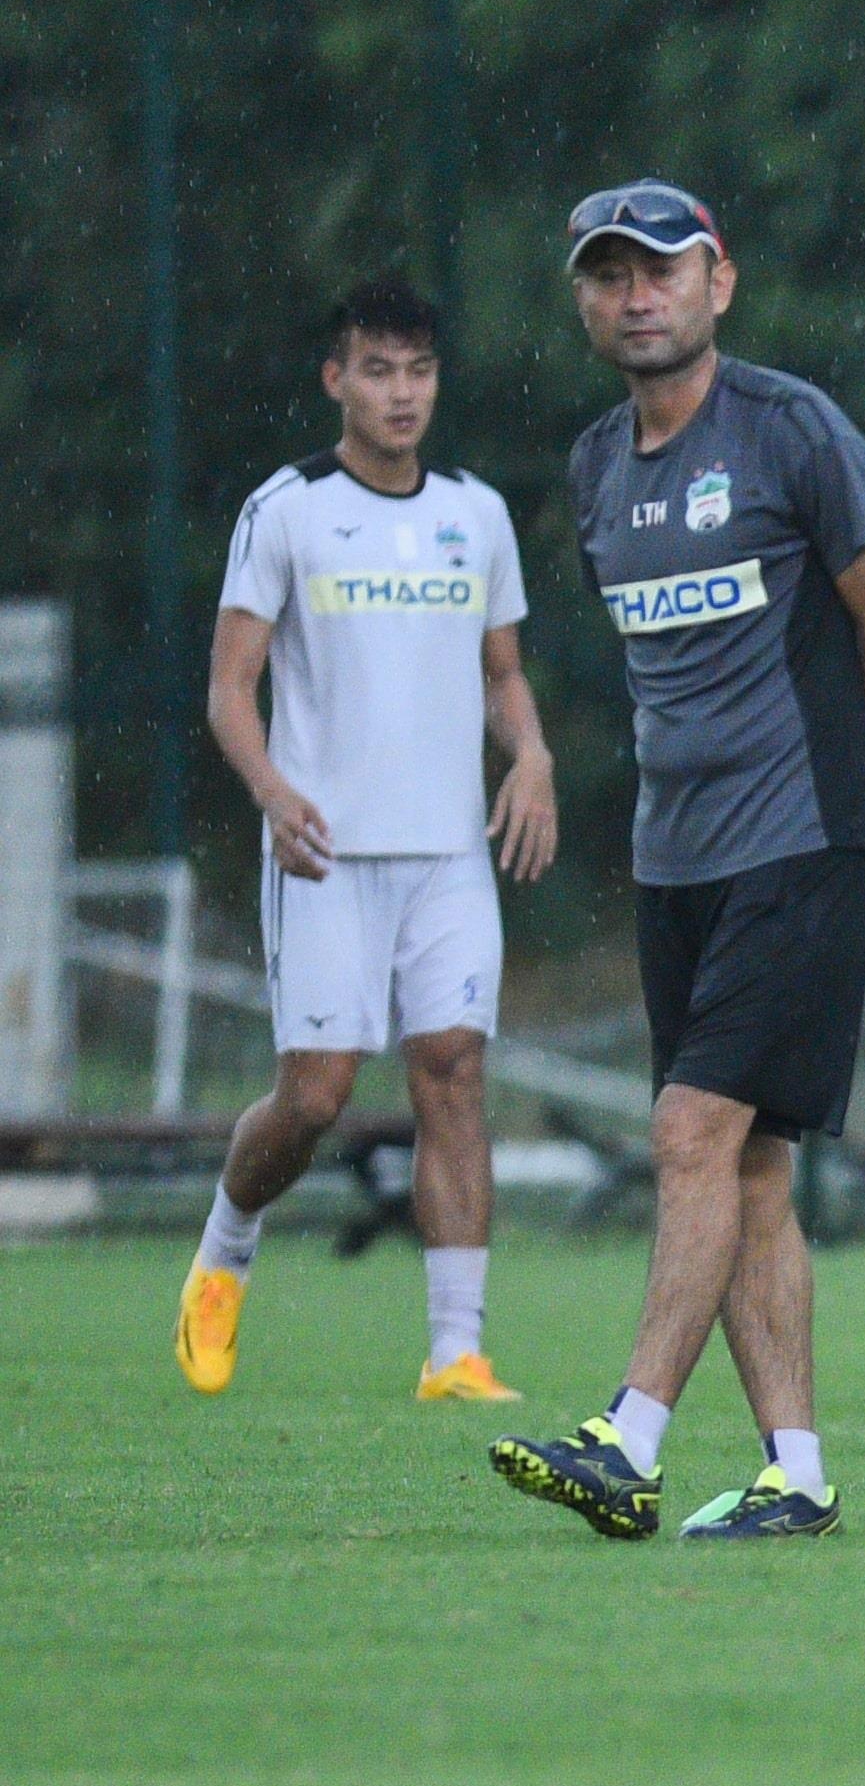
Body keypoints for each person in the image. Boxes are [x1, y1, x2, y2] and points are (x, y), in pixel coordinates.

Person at [489, 180, 865, 1542]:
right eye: (611, 274)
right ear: (584, 302)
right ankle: (795, 1470)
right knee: (748, 1169)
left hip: (798, 837)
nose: (639, 295)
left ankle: (629, 1438)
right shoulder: (593, 467)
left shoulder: (793, 430)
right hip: (675, 860)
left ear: (719, 284)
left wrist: (863, 776)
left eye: (663, 270)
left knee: (690, 1131)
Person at [177, 279, 557, 1404]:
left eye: (419, 372)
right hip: (324, 855)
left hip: (446, 854)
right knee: (317, 1097)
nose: (402, 394)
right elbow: (229, 689)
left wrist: (529, 754)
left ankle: (456, 1351)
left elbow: (502, 675)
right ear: (336, 379)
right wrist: (269, 788)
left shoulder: (475, 514)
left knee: (453, 1073)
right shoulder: (286, 511)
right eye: (378, 371)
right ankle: (224, 1250)